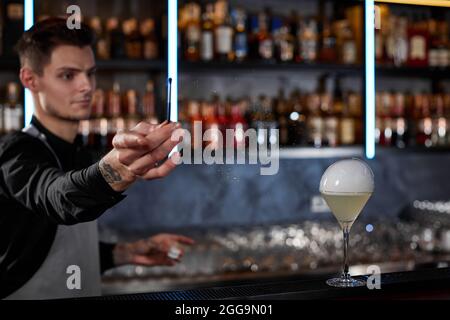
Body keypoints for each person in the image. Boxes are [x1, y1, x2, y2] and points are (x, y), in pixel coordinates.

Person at [0, 17, 193, 300]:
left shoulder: (80, 152)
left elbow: (50, 249)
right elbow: (59, 198)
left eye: (89, 73)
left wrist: (125, 252)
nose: (86, 86)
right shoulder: (15, 153)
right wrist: (116, 169)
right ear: (30, 79)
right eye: (68, 75)